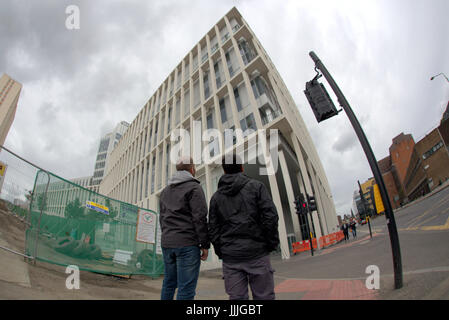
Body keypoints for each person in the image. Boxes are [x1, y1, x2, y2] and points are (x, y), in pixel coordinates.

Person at [208, 154, 280, 300]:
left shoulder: (216, 198)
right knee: (264, 297)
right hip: (257, 252)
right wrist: (270, 244)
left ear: (224, 170)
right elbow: (270, 217)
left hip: (231, 257)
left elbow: (213, 228)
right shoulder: (257, 187)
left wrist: (222, 252)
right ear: (241, 167)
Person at [159, 156, 210, 300]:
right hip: (187, 244)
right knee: (186, 290)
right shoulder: (194, 187)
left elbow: (161, 218)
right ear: (192, 169)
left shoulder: (165, 191)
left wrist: (167, 237)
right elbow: (199, 218)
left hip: (167, 244)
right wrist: (205, 244)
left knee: (168, 284)